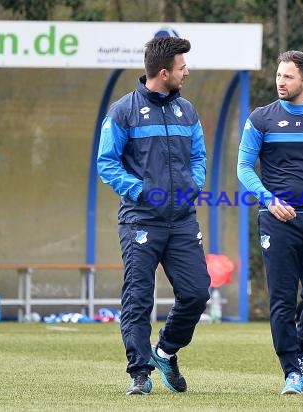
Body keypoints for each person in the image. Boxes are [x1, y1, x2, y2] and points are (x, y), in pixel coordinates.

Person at [97, 36, 210, 396]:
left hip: (181, 220)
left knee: (196, 293)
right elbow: (106, 163)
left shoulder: (187, 111)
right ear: (164, 73)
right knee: (139, 298)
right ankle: (139, 373)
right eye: (182, 67)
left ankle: (166, 351)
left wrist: (195, 184)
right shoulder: (122, 112)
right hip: (139, 222)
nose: (186, 72)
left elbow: (198, 157)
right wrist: (141, 190)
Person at [237, 50, 303, 394]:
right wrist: (269, 200)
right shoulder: (261, 118)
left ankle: (296, 349)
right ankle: (292, 372)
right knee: (282, 299)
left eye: (288, 77)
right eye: (279, 76)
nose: (280, 82)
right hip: (276, 220)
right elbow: (243, 167)